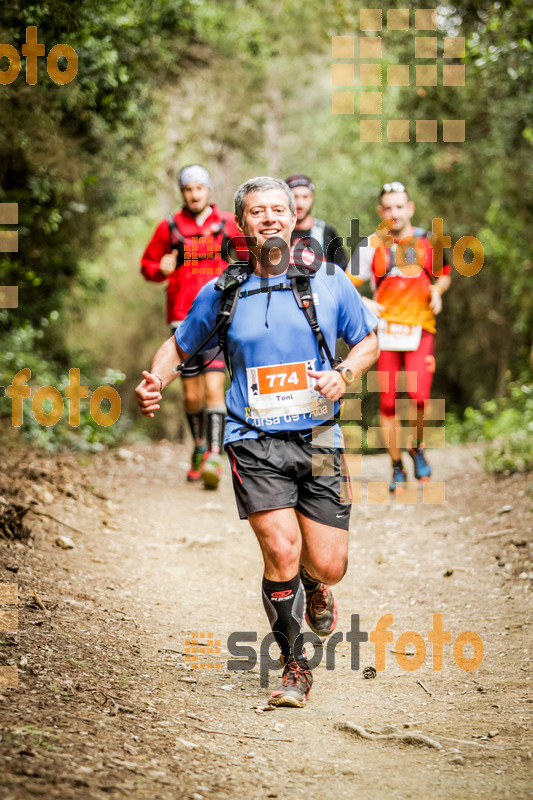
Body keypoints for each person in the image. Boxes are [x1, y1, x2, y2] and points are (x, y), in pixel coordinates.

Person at [136, 177, 379, 707]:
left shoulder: (331, 281)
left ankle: (317, 585)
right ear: (242, 224)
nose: (269, 218)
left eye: (278, 210)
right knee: (280, 548)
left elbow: (367, 341)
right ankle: (295, 667)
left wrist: (344, 373)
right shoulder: (222, 290)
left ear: (293, 220)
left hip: (318, 436)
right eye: (257, 211)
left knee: (329, 563)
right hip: (253, 439)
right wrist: (155, 381)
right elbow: (178, 345)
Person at [141, 164, 242, 489]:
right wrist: (161, 268)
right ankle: (199, 447)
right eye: (189, 189)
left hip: (218, 318)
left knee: (214, 389)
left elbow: (251, 256)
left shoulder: (228, 224)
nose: (195, 194)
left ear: (208, 190)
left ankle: (214, 454)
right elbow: (148, 265)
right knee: (192, 395)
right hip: (181, 317)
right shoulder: (170, 226)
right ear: (183, 192)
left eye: (200, 188)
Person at [348, 181, 452, 492]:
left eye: (399, 206)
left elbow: (444, 273)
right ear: (381, 212)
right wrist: (363, 302)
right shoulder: (370, 246)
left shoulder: (427, 242)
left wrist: (437, 290)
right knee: (389, 403)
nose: (394, 212)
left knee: (420, 397)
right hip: (387, 333)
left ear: (410, 208)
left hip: (420, 330)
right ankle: (396, 467)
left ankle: (416, 446)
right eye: (388, 207)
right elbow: (345, 282)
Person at [285, 174, 348, 270]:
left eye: (305, 197)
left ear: (312, 198)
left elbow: (340, 271)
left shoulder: (326, 231)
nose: (300, 204)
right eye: (294, 197)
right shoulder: (274, 231)